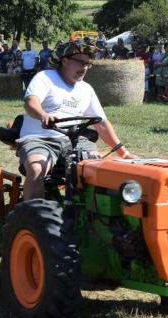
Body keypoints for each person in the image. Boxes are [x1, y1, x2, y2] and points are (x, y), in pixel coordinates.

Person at [18, 42, 137, 201]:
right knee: (36, 168)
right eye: (81, 62)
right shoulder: (45, 78)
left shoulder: (86, 89)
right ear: (64, 61)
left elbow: (101, 123)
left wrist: (124, 152)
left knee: (100, 169)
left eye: (88, 63)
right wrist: (43, 116)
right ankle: (33, 217)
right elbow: (30, 102)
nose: (85, 67)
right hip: (40, 138)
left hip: (75, 140)